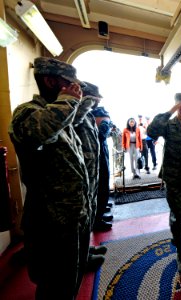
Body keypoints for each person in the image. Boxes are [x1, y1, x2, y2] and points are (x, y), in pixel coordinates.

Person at [8, 57, 91, 299]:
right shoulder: (27, 113)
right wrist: (68, 101)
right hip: (51, 221)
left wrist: (77, 102)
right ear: (50, 81)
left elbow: (72, 120)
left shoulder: (59, 112)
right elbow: (38, 131)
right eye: (69, 84)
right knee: (56, 285)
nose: (75, 89)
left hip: (73, 214)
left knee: (71, 278)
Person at [147, 93, 181, 274]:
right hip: (173, 178)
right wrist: (171, 110)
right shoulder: (168, 125)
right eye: (180, 104)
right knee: (177, 214)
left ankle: (178, 229)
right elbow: (151, 131)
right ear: (177, 106)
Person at [76, 81, 108, 270]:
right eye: (94, 99)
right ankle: (82, 259)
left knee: (86, 218)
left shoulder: (87, 116)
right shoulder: (77, 114)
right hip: (81, 178)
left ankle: (86, 251)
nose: (96, 103)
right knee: (80, 221)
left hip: (91, 176)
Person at [91, 104, 114, 231]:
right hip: (97, 162)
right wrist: (105, 124)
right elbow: (101, 135)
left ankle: (99, 215)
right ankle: (97, 220)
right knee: (101, 189)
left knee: (104, 188)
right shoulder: (96, 129)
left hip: (102, 158)